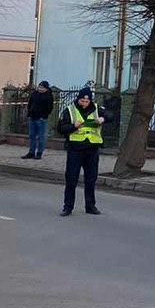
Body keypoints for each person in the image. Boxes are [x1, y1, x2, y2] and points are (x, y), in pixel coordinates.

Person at [56, 86, 103, 217]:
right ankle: (68, 207)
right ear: (78, 99)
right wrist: (73, 126)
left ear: (90, 101)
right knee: (71, 179)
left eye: (86, 101)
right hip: (75, 150)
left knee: (91, 179)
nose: (84, 103)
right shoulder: (70, 110)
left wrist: (103, 119)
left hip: (92, 150)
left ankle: (90, 206)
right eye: (82, 101)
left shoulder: (97, 109)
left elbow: (111, 115)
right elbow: (60, 128)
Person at [23, 81, 54, 160]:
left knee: (41, 137)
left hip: (41, 119)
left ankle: (39, 153)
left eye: (42, 87)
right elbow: (30, 104)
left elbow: (49, 108)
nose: (40, 89)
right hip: (32, 117)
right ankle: (31, 152)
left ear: (46, 88)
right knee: (32, 136)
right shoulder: (34, 94)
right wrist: (29, 114)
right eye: (39, 87)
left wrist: (43, 116)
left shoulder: (48, 96)